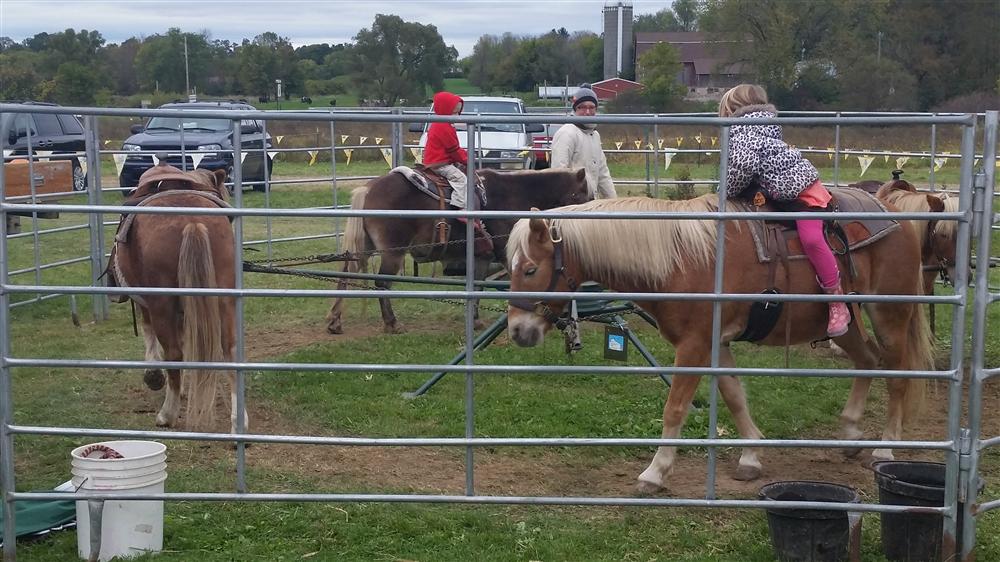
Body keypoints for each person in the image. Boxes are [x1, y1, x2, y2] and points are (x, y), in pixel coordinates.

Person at [719, 83, 850, 338]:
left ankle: (837, 301)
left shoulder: (743, 131)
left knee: (811, 239)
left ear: (733, 110)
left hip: (803, 195)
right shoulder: (760, 125)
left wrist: (726, 190)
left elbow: (741, 167)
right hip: (781, 191)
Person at [550, 85, 617, 199]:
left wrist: (615, 204)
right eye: (582, 107)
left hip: (590, 201)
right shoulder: (567, 133)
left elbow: (603, 173)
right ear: (575, 109)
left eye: (591, 107)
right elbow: (558, 173)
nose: (587, 112)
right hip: (573, 203)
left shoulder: (595, 135)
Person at [422, 91, 471, 213]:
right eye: (454, 112)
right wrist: (467, 159)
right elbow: (453, 149)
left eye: (458, 113)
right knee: (460, 179)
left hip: (435, 161)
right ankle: (458, 206)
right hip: (440, 164)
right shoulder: (444, 127)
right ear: (445, 111)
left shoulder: (439, 124)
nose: (457, 116)